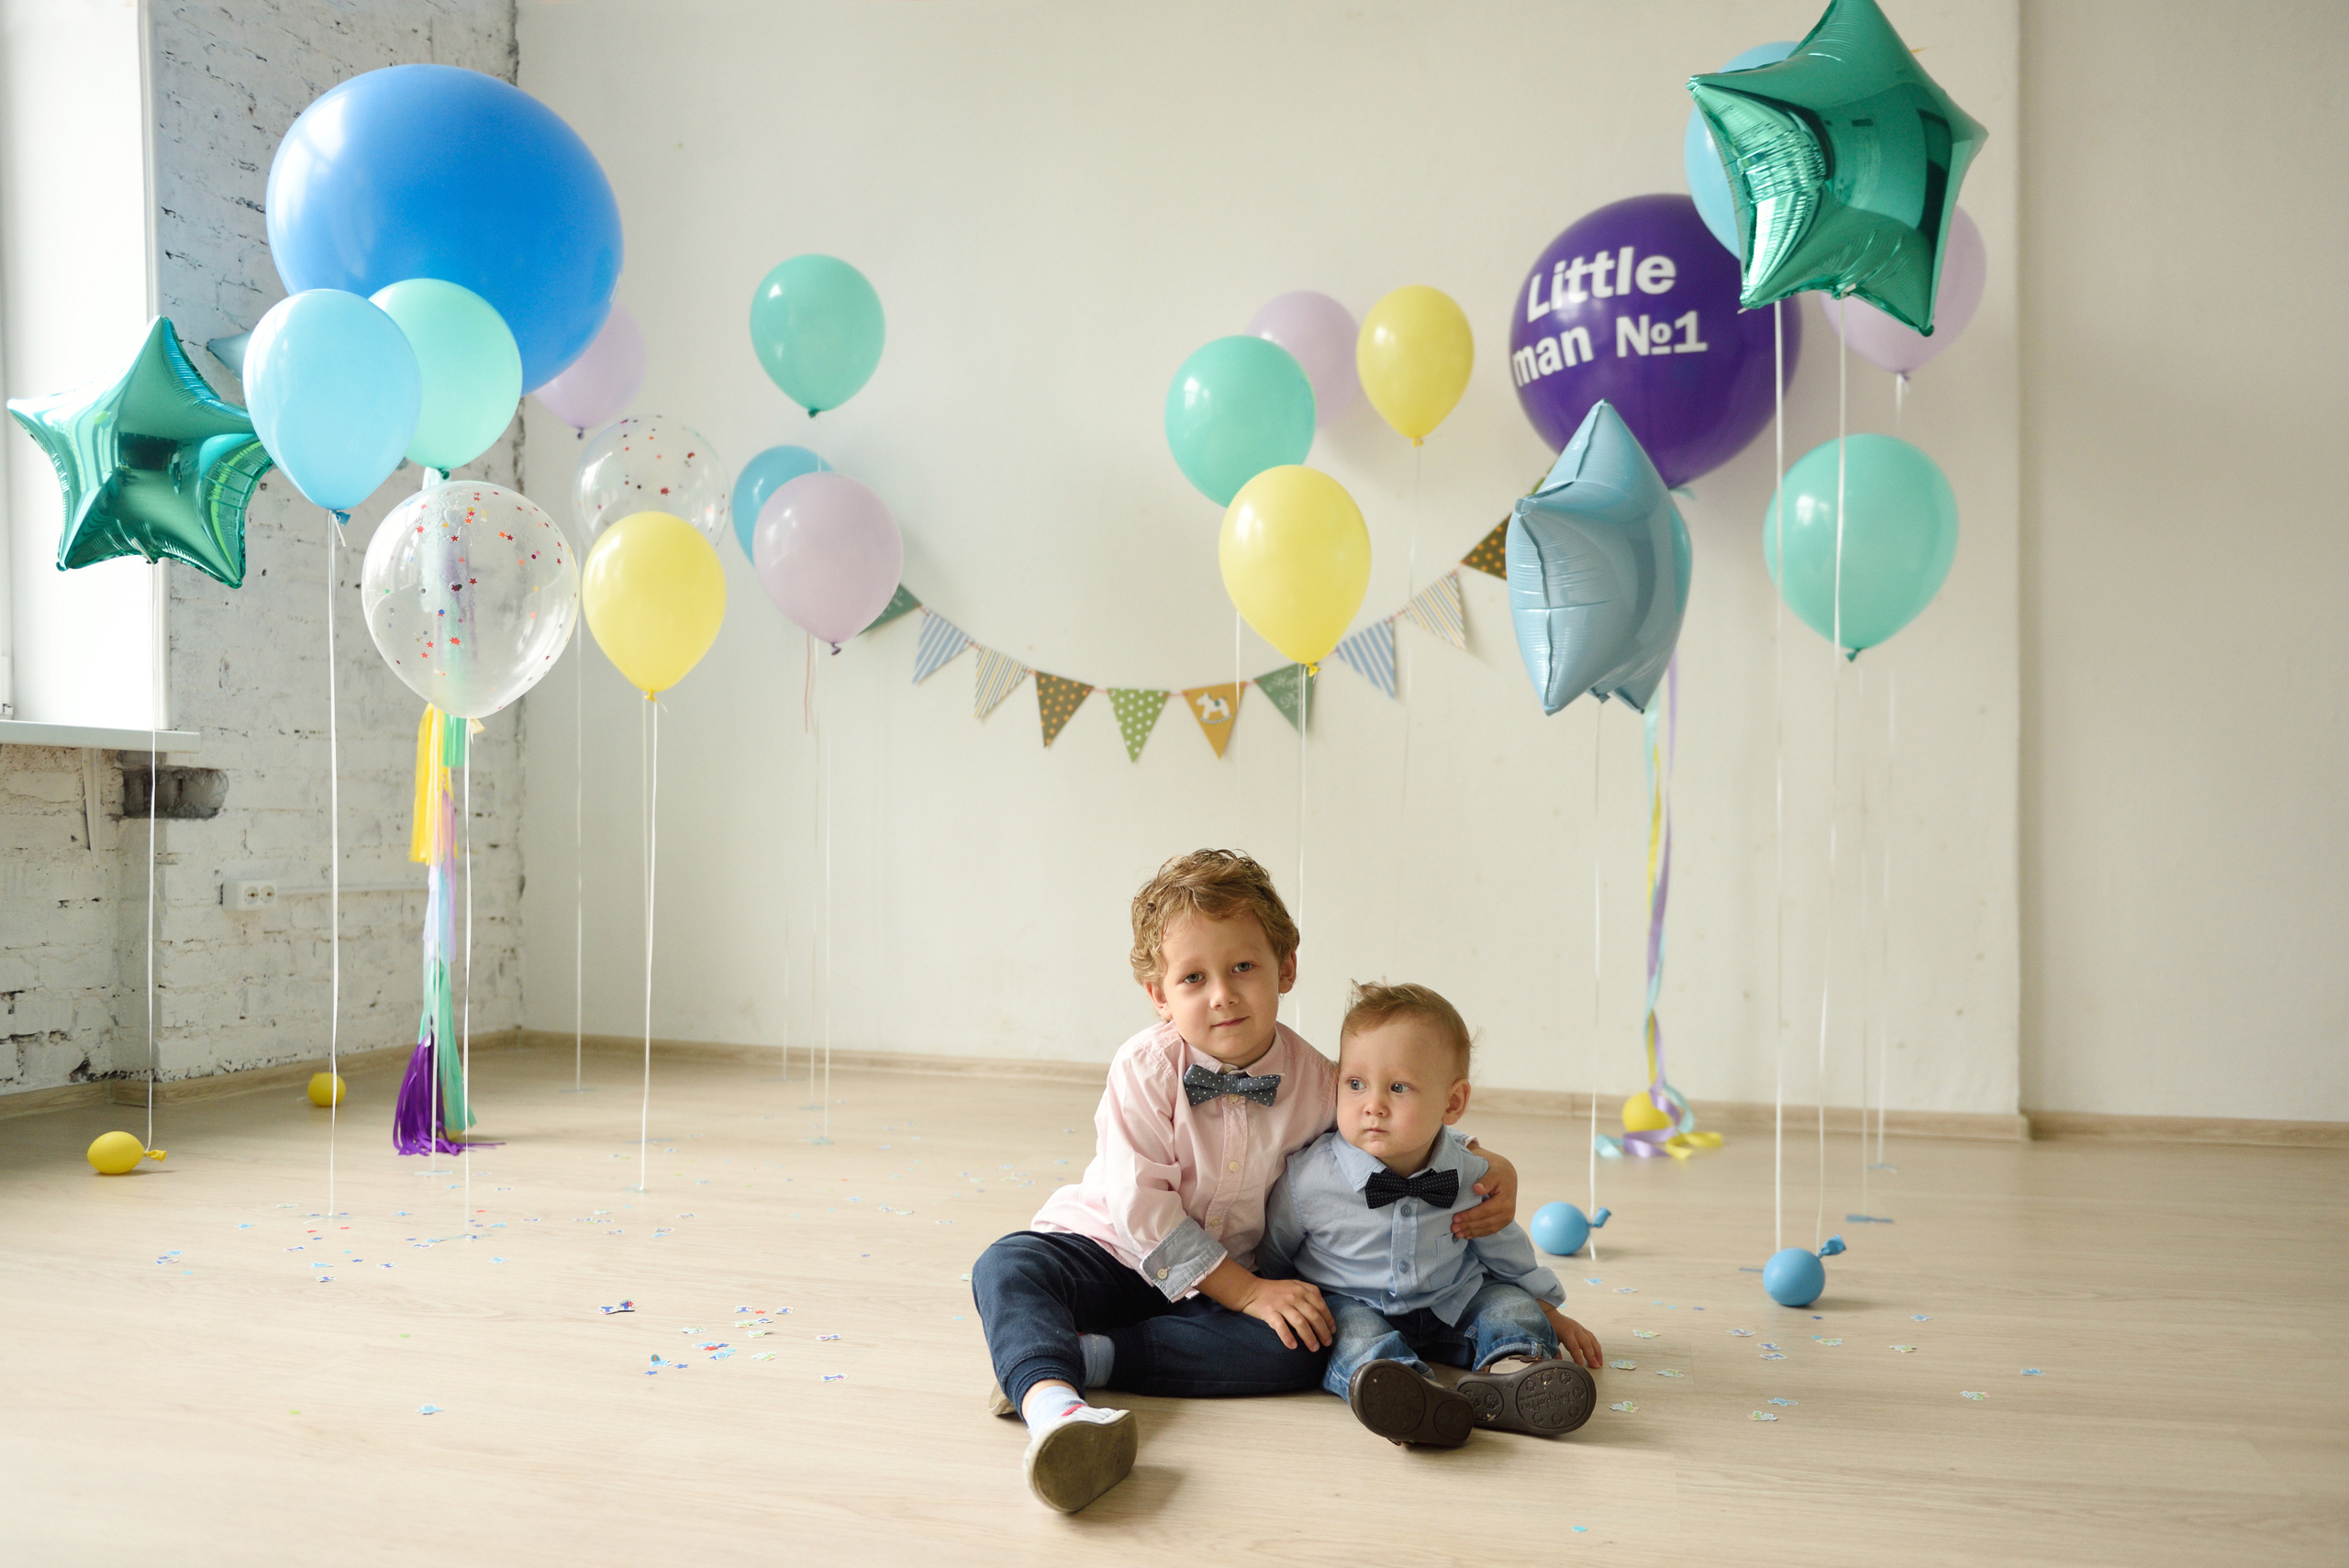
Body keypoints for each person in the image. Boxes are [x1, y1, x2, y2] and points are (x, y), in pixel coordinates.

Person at [969, 851, 1524, 1512]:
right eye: (1194, 977)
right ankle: (1055, 1410)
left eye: (1242, 967)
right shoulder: (1147, 1066)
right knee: (1007, 1265)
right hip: (1109, 1253)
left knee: (1302, 1343)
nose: (1222, 994)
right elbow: (1140, 1207)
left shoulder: (1324, 1081)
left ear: (1285, 967)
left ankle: (1090, 1358)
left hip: (1229, 1289)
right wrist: (1247, 1290)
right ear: (1159, 995)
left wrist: (1495, 1171)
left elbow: (1401, 1139)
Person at [1260, 982, 1603, 1448]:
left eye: (1398, 1087)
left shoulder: (1471, 1174)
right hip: (1355, 1301)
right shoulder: (1309, 1179)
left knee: (1508, 1307)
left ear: (1453, 1102)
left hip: (1452, 1302)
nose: (1373, 1104)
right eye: (1355, 1084)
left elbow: (1505, 1248)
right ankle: (1408, 1396)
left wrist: (1547, 1311)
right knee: (1352, 1336)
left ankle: (1514, 1375)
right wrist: (1269, 1292)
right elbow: (1275, 1250)